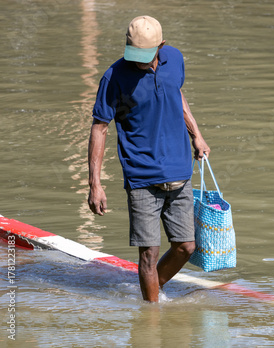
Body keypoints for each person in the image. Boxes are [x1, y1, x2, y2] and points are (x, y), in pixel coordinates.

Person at [87, 15, 210, 302]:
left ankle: (149, 292)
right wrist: (95, 183)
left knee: (186, 246)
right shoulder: (114, 77)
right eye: (134, 54)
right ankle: (152, 319)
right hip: (141, 177)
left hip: (179, 170)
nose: (139, 62)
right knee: (148, 255)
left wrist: (196, 134)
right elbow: (100, 128)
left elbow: (175, 93)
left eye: (145, 56)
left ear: (161, 46)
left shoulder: (175, 59)